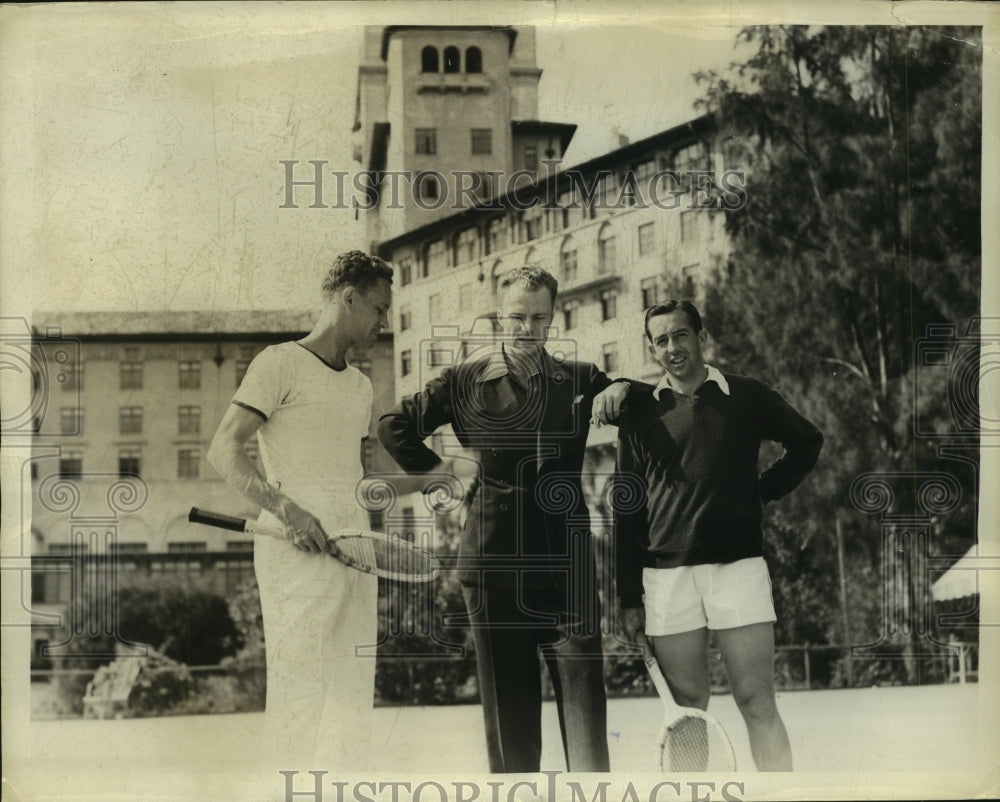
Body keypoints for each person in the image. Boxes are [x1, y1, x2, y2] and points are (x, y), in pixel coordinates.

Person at [377, 266, 634, 773]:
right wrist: (439, 475)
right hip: (494, 565)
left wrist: (622, 385)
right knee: (509, 717)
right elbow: (393, 425)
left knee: (585, 707)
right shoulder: (464, 380)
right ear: (499, 316)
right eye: (517, 317)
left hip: (568, 563)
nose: (527, 328)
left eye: (538, 317)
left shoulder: (582, 379)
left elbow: (638, 402)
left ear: (552, 317)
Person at [614, 300, 823, 771]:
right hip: (666, 579)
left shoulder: (746, 395)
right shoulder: (638, 414)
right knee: (689, 711)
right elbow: (626, 509)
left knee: (757, 702)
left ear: (701, 337)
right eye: (661, 340)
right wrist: (628, 597)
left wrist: (762, 491)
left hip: (739, 569)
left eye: (681, 335)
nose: (672, 347)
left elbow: (807, 441)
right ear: (651, 349)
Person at [206, 250, 392, 769]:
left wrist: (448, 477)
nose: (384, 321)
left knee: (353, 690)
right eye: (378, 309)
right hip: (296, 547)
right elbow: (224, 449)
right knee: (300, 688)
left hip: (356, 545)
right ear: (348, 297)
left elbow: (353, 478)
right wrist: (288, 511)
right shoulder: (278, 362)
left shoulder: (359, 385)